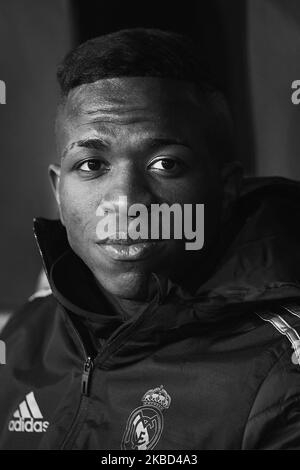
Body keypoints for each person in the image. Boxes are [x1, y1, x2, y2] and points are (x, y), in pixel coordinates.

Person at [1, 28, 300, 451]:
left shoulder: (283, 373)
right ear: (58, 193)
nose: (124, 202)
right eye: (90, 164)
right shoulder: (23, 337)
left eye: (165, 164)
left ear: (226, 187)